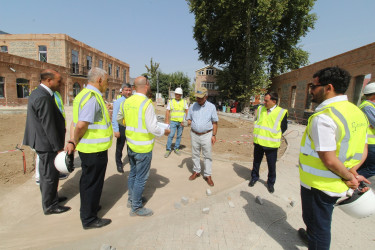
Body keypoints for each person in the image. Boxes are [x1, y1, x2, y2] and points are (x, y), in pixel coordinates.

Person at [297, 67, 370, 249]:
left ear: (328, 87)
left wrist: (349, 177)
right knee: (318, 224)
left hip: (319, 185)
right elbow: (363, 148)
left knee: (319, 228)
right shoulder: (356, 112)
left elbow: (328, 159)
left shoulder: (324, 118)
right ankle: (312, 239)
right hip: (335, 182)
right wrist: (352, 171)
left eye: (314, 86)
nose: (311, 91)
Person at [66, 67, 112, 229]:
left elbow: (74, 122)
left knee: (88, 181)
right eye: (106, 80)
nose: (107, 83)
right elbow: (81, 124)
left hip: (89, 149)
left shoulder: (83, 95)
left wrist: (73, 140)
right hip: (94, 150)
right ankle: (89, 219)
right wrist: (75, 140)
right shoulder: (92, 97)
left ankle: (90, 208)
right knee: (92, 183)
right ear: (99, 80)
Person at [117, 76, 170, 216]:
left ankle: (131, 199)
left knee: (133, 174)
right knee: (141, 177)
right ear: (146, 85)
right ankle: (136, 207)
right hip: (143, 147)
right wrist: (164, 131)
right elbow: (153, 128)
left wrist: (130, 126)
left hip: (131, 145)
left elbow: (119, 118)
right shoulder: (146, 104)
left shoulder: (127, 102)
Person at [23, 69, 70, 215]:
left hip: (43, 141)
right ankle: (50, 205)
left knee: (48, 174)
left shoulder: (40, 93)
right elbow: (48, 125)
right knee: (49, 175)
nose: (61, 84)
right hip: (46, 143)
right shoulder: (43, 97)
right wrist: (58, 148)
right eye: (58, 81)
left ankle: (51, 197)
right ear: (49, 80)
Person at [249, 92, 288, 193]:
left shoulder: (281, 112)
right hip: (258, 143)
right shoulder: (260, 109)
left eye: (266, 100)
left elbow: (284, 127)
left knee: (271, 165)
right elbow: (256, 121)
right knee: (256, 162)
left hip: (271, 145)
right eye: (264, 100)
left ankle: (270, 183)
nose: (264, 102)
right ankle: (254, 177)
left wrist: (274, 135)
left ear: (274, 101)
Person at [187, 87, 218, 186]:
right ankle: (196, 171)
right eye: (197, 97)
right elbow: (189, 119)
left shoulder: (211, 107)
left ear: (206, 96)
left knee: (207, 156)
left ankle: (208, 175)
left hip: (207, 135)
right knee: (195, 153)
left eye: (200, 97)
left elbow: (215, 122)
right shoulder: (192, 106)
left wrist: (214, 135)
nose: (198, 99)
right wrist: (187, 122)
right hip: (194, 134)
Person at [35, 90, 68, 184]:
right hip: (48, 128)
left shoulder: (57, 93)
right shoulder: (41, 94)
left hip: (58, 127)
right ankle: (39, 176)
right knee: (43, 154)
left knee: (56, 151)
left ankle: (57, 171)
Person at [112, 83, 132, 173]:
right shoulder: (118, 101)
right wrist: (116, 130)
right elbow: (115, 116)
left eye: (129, 90)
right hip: (122, 127)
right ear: (122, 91)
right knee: (120, 147)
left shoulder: (132, 101)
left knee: (131, 146)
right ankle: (119, 164)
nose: (128, 92)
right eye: (126, 90)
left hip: (130, 127)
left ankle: (132, 161)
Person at [164, 87, 188, 158]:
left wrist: (186, 120)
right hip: (173, 122)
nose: (178, 95)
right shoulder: (171, 102)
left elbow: (187, 111)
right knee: (171, 135)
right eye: (176, 94)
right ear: (175, 94)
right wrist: (167, 121)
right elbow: (167, 111)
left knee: (179, 136)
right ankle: (168, 149)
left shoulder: (184, 102)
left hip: (181, 122)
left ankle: (176, 148)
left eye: (179, 94)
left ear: (181, 95)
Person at [358, 82, 375, 178]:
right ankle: (351, 182)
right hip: (370, 144)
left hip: (370, 143)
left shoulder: (370, 106)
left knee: (365, 167)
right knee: (371, 169)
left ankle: (355, 187)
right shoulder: (367, 107)